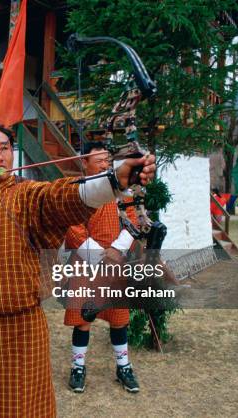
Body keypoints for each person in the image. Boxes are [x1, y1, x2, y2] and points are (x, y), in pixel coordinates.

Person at [0, 115, 156, 417]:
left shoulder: (27, 195)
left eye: (4, 148)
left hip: (22, 328)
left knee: (25, 408)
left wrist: (116, 179)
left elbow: (63, 196)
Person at [63, 141, 140, 394]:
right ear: (85, 164)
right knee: (82, 319)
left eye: (107, 161)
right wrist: (98, 255)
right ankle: (78, 367)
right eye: (99, 161)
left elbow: (133, 221)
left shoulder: (122, 189)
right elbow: (73, 227)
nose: (105, 165)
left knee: (119, 319)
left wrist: (117, 250)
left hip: (115, 262)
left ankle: (123, 366)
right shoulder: (78, 190)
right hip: (86, 263)